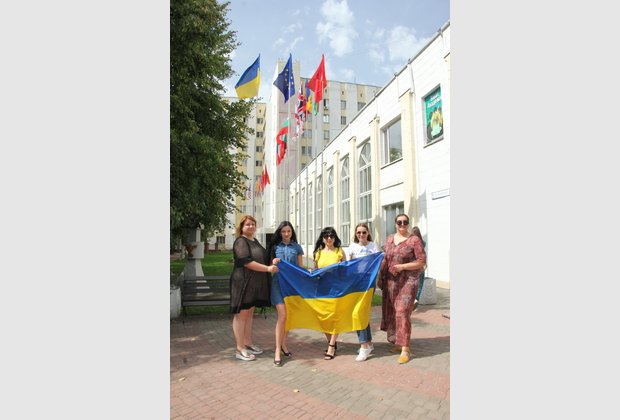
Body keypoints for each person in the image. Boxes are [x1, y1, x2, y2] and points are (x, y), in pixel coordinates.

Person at [230, 215, 278, 361]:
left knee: (249, 314)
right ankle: (240, 348)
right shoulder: (241, 241)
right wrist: (268, 269)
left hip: (253, 284)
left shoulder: (254, 241)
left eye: (253, 224)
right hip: (242, 283)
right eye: (248, 224)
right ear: (241, 227)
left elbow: (263, 257)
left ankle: (248, 343)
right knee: (241, 315)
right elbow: (247, 262)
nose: (251, 226)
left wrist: (273, 260)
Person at [379, 214, 427, 364]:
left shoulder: (414, 240)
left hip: (408, 281)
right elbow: (385, 258)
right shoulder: (389, 239)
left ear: (408, 223)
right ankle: (398, 343)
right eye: (399, 222)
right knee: (393, 312)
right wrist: (379, 275)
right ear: (395, 224)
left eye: (405, 222)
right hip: (390, 282)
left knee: (402, 311)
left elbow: (421, 261)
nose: (402, 225)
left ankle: (405, 349)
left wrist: (403, 267)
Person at [267, 221, 304, 367]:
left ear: (292, 232)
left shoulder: (297, 247)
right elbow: (269, 265)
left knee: (287, 317)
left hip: (292, 285)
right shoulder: (275, 247)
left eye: (289, 231)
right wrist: (273, 262)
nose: (286, 234)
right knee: (282, 316)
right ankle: (277, 350)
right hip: (278, 284)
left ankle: (283, 345)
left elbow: (300, 268)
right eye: (284, 231)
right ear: (280, 233)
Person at [347, 223, 381, 362]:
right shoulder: (352, 247)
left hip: (368, 284)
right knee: (361, 312)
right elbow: (348, 266)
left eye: (364, 232)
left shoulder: (373, 246)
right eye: (359, 232)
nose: (361, 235)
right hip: (356, 284)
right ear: (356, 234)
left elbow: (377, 264)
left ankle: (364, 345)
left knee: (359, 312)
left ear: (368, 233)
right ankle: (368, 343)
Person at [312, 226, 345, 360]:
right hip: (322, 288)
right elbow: (315, 271)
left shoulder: (339, 251)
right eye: (326, 236)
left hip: (336, 288)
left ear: (335, 238)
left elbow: (345, 269)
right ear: (323, 239)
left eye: (332, 236)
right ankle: (331, 340)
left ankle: (331, 346)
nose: (329, 238)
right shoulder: (318, 253)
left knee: (335, 316)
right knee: (322, 317)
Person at [411, 226, 427, 310]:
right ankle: (416, 299)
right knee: (420, 285)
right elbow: (423, 254)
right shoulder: (423, 243)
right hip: (421, 266)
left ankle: (413, 300)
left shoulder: (411, 243)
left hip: (413, 266)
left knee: (413, 285)